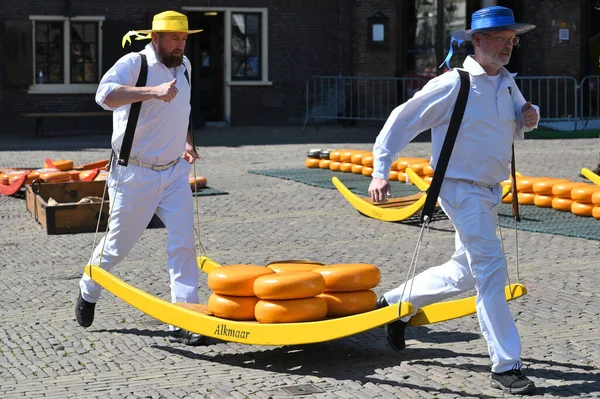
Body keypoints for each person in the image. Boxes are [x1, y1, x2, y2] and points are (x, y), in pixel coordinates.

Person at [368, 6, 539, 395]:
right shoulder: (453, 84)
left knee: (463, 271)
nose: (509, 45)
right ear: (477, 41)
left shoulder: (508, 82)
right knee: (492, 268)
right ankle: (506, 364)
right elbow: (401, 121)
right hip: (459, 189)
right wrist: (381, 171)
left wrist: (529, 116)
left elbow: (519, 117)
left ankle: (393, 304)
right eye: (501, 38)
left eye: (512, 39)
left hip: (488, 191)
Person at [75, 11, 205, 346]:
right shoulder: (136, 63)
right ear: (156, 38)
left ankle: (184, 316)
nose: (180, 45)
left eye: (184, 38)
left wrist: (187, 142)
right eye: (175, 38)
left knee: (183, 244)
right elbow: (105, 96)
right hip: (134, 173)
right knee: (117, 247)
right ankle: (88, 290)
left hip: (174, 172)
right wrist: (152, 91)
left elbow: (184, 110)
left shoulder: (185, 66)